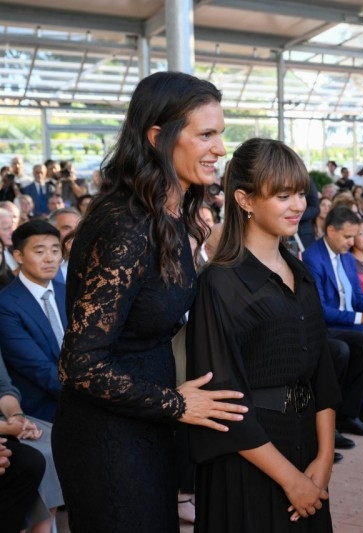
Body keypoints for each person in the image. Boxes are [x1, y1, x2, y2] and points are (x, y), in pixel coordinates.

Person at [52, 71, 247, 533]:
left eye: (220, 134)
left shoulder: (170, 213)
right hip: (107, 439)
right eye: (206, 135)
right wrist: (176, 404)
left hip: (149, 425)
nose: (220, 148)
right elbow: (79, 365)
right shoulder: (126, 223)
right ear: (158, 137)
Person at [187, 138, 339, 532]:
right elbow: (224, 399)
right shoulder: (219, 283)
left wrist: (324, 458)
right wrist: (291, 481)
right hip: (248, 460)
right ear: (245, 199)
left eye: (300, 194)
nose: (297, 205)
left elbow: (322, 374)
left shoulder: (302, 274)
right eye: (283, 195)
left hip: (307, 445)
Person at [304, 207, 363, 440]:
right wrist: (361, 318)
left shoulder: (347, 257)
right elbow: (320, 310)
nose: (352, 242)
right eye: (347, 236)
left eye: (353, 236)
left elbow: (358, 298)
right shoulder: (313, 258)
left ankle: (351, 413)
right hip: (326, 327)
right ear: (331, 231)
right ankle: (333, 418)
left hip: (348, 325)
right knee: (347, 348)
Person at [0, 221, 65, 422]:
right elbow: (36, 367)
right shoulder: (5, 304)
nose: (49, 258)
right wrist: (91, 394)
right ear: (18, 256)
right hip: (40, 412)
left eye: (55, 250)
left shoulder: (69, 292)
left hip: (84, 401)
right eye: (39, 252)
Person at [0, 353, 64, 533]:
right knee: (27, 461)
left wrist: (17, 416)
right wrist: (8, 428)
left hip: (6, 420)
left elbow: (4, 389)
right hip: (3, 427)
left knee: (53, 441)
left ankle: (43, 529)